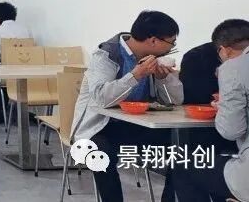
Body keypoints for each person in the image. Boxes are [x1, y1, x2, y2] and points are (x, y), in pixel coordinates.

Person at [71, 11, 183, 202]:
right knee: (101, 155)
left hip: (138, 125)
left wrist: (163, 78)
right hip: (100, 127)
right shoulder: (106, 55)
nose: (172, 48)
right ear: (153, 40)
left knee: (183, 147)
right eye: (171, 42)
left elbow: (176, 101)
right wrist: (136, 75)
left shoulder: (154, 60)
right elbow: (101, 98)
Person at [172, 19, 249, 202]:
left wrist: (223, 106)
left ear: (224, 50)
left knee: (182, 164)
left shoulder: (233, 67)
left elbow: (231, 131)